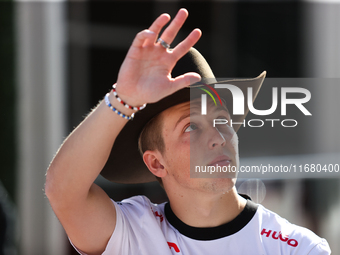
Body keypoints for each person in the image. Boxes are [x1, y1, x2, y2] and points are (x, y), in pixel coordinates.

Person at [45, 8, 331, 255]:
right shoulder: (132, 234)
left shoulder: (298, 248)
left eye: (222, 121)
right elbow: (62, 191)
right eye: (191, 126)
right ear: (156, 162)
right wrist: (123, 99)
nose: (219, 137)